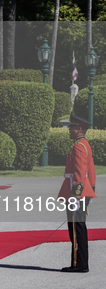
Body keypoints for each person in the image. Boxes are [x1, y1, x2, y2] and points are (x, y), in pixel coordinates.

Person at [58, 114, 97, 273]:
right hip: (82, 193)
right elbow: (91, 171)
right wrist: (91, 190)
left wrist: (76, 196)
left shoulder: (78, 146)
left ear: (79, 129)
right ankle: (80, 262)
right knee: (79, 228)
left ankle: (79, 263)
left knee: (75, 229)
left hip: (76, 194)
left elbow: (80, 174)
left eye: (71, 127)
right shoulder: (85, 144)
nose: (69, 130)